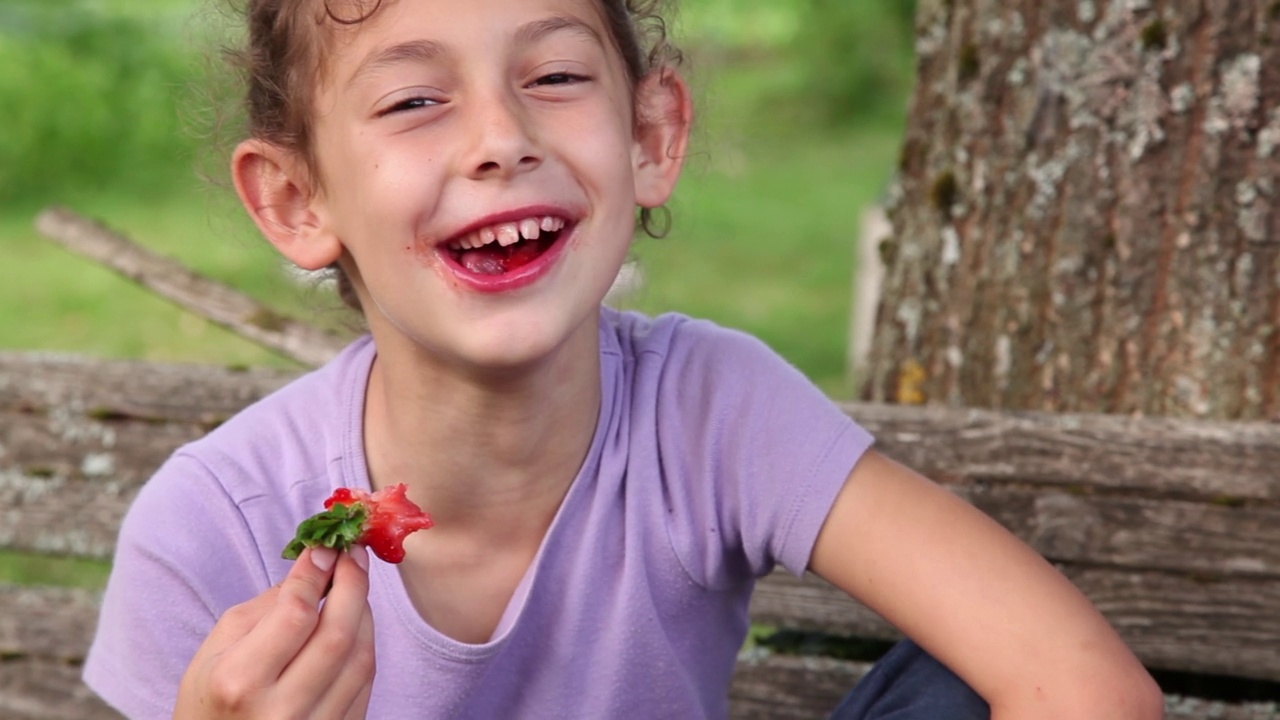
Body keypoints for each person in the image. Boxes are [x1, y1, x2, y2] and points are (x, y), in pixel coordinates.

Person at [82, 0, 1166, 718]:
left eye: (552, 75)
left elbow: (1086, 690)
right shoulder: (211, 530)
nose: (498, 138)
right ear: (296, 197)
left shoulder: (706, 413)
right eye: (413, 100)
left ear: (649, 136)